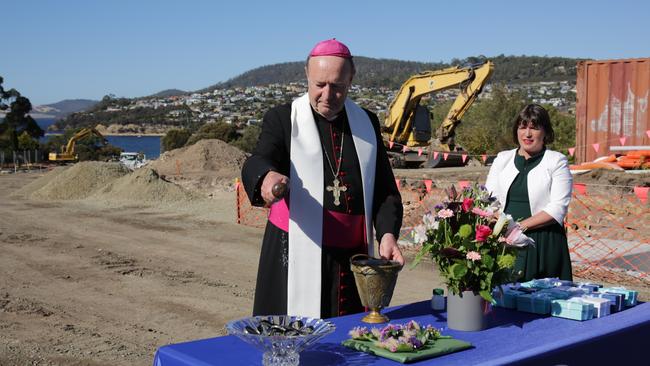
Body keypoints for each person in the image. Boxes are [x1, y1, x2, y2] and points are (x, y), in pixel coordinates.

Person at [241, 39, 404, 319]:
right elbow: (259, 158)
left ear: (350, 80)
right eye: (319, 85)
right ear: (307, 76)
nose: (327, 95)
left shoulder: (367, 122)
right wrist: (266, 178)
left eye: (338, 86)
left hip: (352, 258)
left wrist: (388, 233)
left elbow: (385, 190)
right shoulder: (282, 119)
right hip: (294, 251)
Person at [485, 104, 573, 281]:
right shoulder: (502, 159)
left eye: (534, 128)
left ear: (545, 132)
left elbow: (558, 207)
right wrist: (498, 225)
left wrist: (518, 227)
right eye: (523, 127)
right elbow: (488, 198)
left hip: (542, 242)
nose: (527, 134)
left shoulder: (557, 161)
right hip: (504, 240)